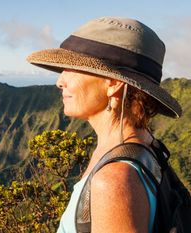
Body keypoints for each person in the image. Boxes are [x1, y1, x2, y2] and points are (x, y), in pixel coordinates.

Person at [27, 17, 182, 232]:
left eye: (72, 68)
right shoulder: (146, 148)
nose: (59, 81)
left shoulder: (114, 183)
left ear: (113, 83)